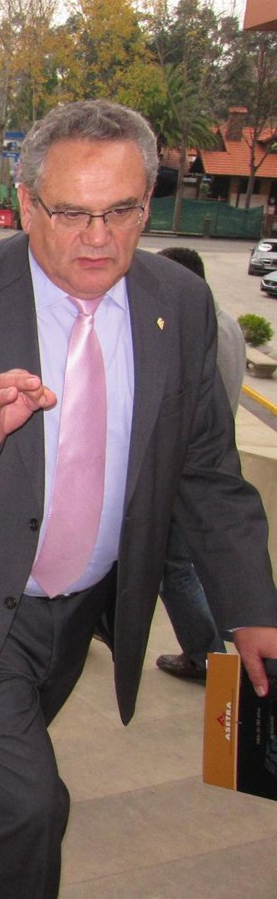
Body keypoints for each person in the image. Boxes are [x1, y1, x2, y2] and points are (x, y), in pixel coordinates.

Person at [0, 100, 277, 899]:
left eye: (122, 211)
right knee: (29, 806)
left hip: (78, 615)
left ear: (146, 204)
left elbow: (209, 472)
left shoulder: (179, 306)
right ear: (26, 203)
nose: (99, 237)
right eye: (72, 213)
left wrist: (252, 609)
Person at [152, 246, 246, 681]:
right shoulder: (226, 321)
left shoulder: (197, 329)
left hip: (184, 471)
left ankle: (206, 656)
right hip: (202, 465)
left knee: (174, 569)